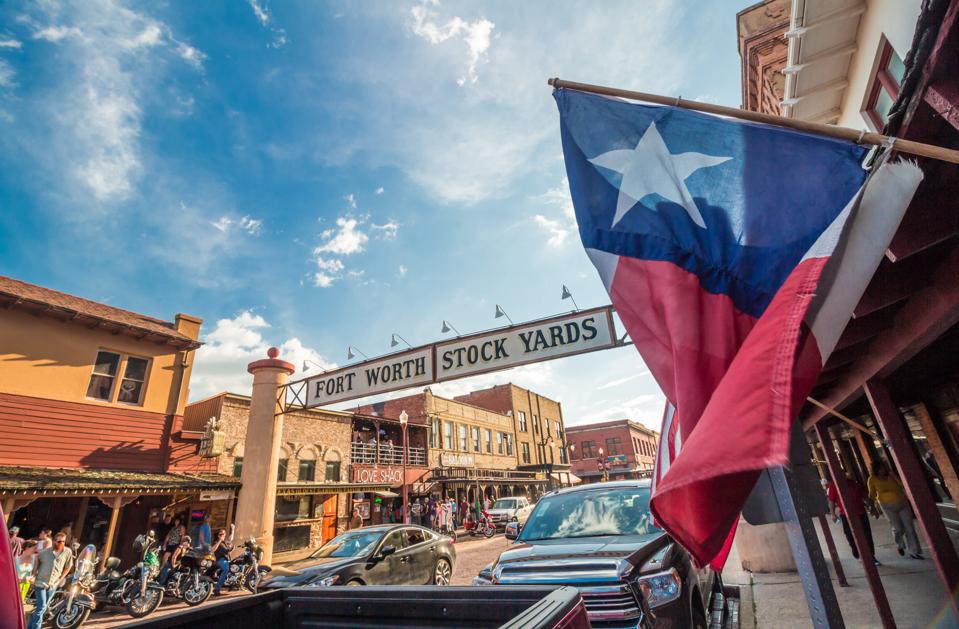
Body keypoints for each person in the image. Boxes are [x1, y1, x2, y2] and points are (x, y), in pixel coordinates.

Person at [868, 460, 923, 559]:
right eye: (880, 468)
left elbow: (902, 486)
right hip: (887, 506)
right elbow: (871, 494)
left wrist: (895, 477)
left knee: (910, 529)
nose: (882, 470)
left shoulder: (891, 476)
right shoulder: (872, 479)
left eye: (884, 467)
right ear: (875, 469)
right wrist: (872, 508)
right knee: (898, 528)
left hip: (902, 503)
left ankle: (914, 552)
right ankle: (900, 545)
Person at [826, 474, 878, 564]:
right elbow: (831, 500)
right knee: (850, 535)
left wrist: (871, 507)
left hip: (860, 512)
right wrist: (833, 514)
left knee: (866, 535)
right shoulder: (834, 486)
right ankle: (857, 552)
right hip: (845, 514)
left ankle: (871, 556)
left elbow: (863, 495)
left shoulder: (852, 483)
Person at [28, 532, 74, 629]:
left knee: (42, 609)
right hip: (40, 583)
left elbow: (68, 566)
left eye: (64, 541)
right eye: (59, 541)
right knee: (41, 608)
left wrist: (61, 578)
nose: (61, 543)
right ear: (54, 541)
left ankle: (29, 626)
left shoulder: (68, 551)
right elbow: (36, 560)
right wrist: (33, 574)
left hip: (53, 584)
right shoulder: (44, 553)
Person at [211, 529, 234, 596]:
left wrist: (233, 530)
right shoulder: (216, 542)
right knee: (226, 569)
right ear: (218, 536)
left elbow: (230, 539)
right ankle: (216, 589)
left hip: (227, 559)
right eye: (221, 534)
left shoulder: (225, 542)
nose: (223, 535)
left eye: (224, 534)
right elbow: (212, 549)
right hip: (220, 560)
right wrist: (219, 540)